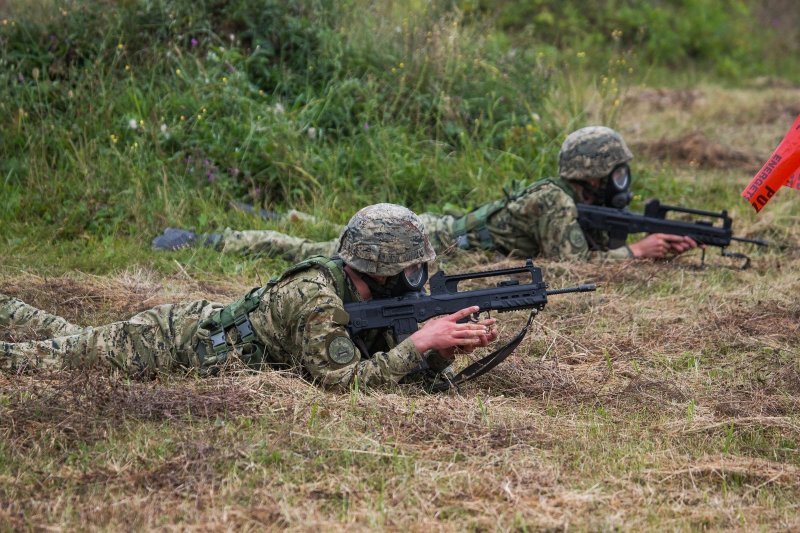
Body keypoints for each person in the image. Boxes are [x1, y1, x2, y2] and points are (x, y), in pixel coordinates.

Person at [1, 204, 498, 391]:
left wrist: (437, 352)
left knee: (67, 336)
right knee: (37, 360)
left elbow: (383, 360)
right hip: (169, 343)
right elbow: (340, 382)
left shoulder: (359, 290)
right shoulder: (318, 298)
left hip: (194, 335)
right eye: (411, 267)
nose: (418, 276)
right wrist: (418, 345)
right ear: (381, 267)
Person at [152, 126, 698, 262]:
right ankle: (213, 237)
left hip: (444, 227)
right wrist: (636, 251)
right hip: (441, 241)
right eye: (616, 173)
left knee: (327, 230)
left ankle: (277, 213)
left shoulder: (565, 196)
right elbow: (575, 265)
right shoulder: (555, 202)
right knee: (314, 253)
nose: (622, 182)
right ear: (593, 173)